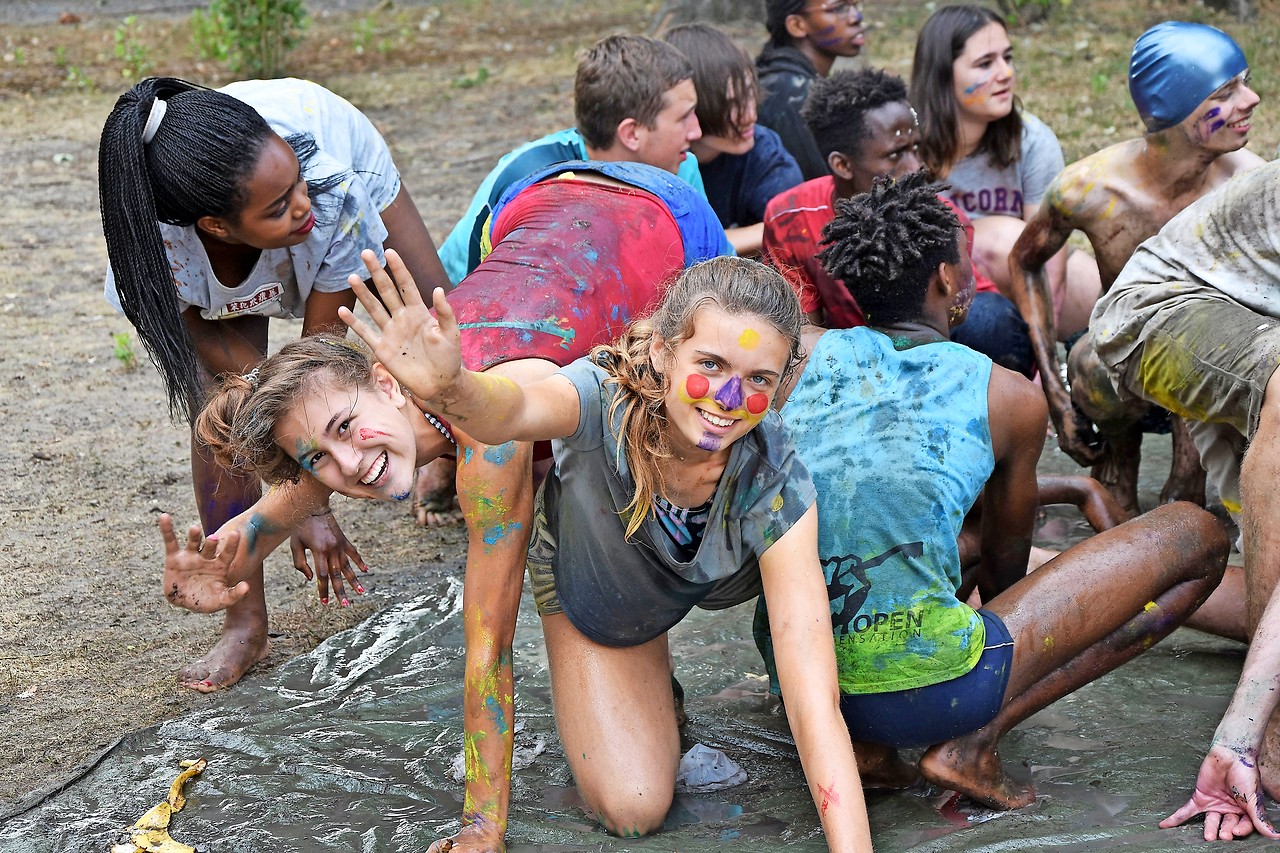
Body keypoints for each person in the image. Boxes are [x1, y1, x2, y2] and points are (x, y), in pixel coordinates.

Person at [167, 253, 875, 851]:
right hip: (605, 572)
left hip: (671, 524)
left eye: (756, 379)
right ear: (664, 352)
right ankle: (645, 683)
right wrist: (243, 549)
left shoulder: (770, 475)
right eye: (711, 364)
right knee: (633, 804)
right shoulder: (564, 403)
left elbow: (814, 704)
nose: (728, 396)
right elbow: (468, 428)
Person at [771, 172, 1229, 808]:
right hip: (932, 695)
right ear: (946, 280)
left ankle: (865, 751)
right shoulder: (1009, 396)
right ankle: (973, 742)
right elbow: (1006, 571)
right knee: (1196, 534)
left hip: (801, 683)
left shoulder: (797, 356)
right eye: (967, 259)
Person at [98, 75, 451, 692]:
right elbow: (248, 387)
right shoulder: (155, 251)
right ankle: (245, 622)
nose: (301, 206)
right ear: (216, 227)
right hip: (221, 213)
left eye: (296, 187)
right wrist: (298, 494)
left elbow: (318, 372)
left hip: (334, 153)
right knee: (220, 418)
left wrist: (309, 498)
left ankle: (443, 455)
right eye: (278, 205)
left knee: (443, 321)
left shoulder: (328, 188)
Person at [1077, 159, 1280, 837]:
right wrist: (1246, 731)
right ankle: (1271, 738)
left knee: (1253, 573)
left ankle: (1038, 571)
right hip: (1163, 308)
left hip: (1254, 315)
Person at [1010, 21, 1263, 516]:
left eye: (1246, 81)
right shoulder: (1092, 190)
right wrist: (1057, 395)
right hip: (1125, 349)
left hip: (1212, 360)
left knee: (1184, 498)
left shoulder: (1247, 187)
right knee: (1089, 367)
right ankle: (1118, 464)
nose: (1251, 99)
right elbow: (1026, 262)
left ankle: (1185, 488)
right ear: (1175, 108)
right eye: (1227, 91)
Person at [762, 68, 1033, 376]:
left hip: (942, 354)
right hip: (852, 364)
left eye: (915, 148)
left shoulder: (937, 218)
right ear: (843, 164)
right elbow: (801, 334)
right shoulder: (791, 218)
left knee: (992, 320)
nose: (916, 166)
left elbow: (956, 323)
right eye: (895, 155)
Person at [436, 34, 706, 286]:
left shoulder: (681, 168)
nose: (697, 131)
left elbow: (704, 270)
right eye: (684, 117)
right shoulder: (533, 181)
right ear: (632, 133)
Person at [910, 4, 1100, 339]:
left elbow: (1046, 256)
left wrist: (1043, 362)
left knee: (1096, 285)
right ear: (942, 74)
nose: (1006, 73)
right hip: (933, 292)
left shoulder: (1033, 141)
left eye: (1007, 58)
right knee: (995, 242)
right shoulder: (905, 147)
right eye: (985, 63)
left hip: (1022, 285)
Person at [662, 23, 802, 255]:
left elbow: (797, 228)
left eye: (749, 94)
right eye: (729, 105)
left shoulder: (765, 156)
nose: (750, 116)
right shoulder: (653, 157)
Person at [755, 0, 866, 181]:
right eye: (838, 8)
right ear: (797, 25)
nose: (856, 17)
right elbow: (820, 189)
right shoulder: (792, 95)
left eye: (855, 5)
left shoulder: (793, 81)